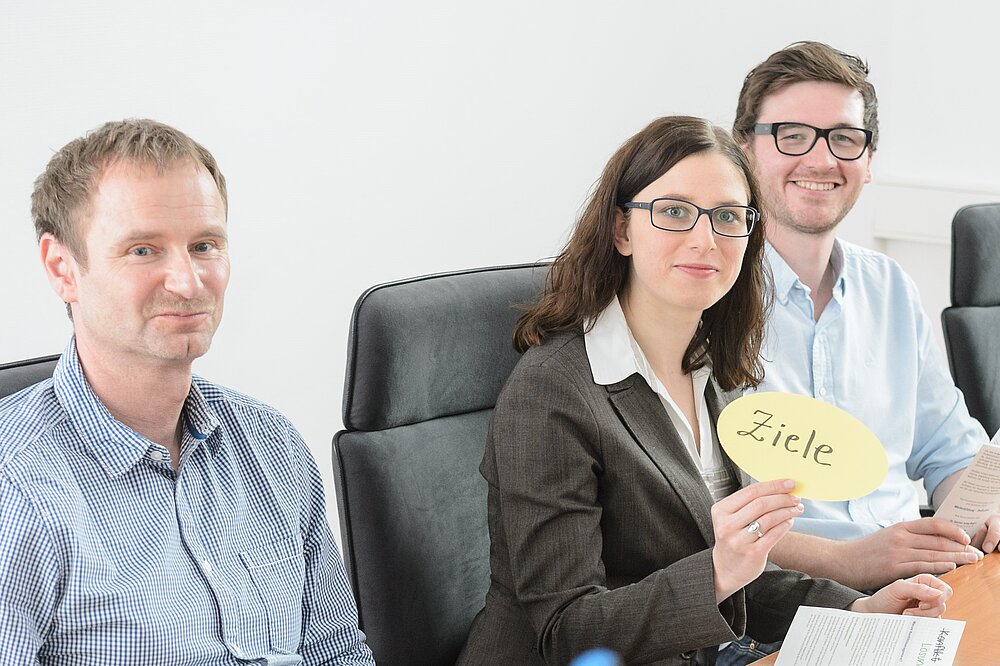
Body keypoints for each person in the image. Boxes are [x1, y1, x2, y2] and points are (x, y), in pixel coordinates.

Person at [456, 116, 951, 666]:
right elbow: (567, 631)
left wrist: (856, 613)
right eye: (673, 212)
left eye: (727, 217)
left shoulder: (711, 372)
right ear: (622, 230)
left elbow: (739, 578)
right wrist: (720, 569)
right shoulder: (553, 391)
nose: (704, 239)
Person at [0, 119, 374, 665]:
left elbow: (338, 652)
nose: (188, 281)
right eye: (143, 251)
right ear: (63, 269)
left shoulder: (272, 444)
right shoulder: (16, 488)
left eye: (204, 245)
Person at [733, 42, 999, 593]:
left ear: (869, 161)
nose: (821, 160)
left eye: (845, 139)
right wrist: (849, 559)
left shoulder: (891, 288)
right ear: (742, 150)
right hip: (786, 602)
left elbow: (948, 452)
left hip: (928, 581)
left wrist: (985, 506)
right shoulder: (710, 297)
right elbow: (697, 515)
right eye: (792, 134)